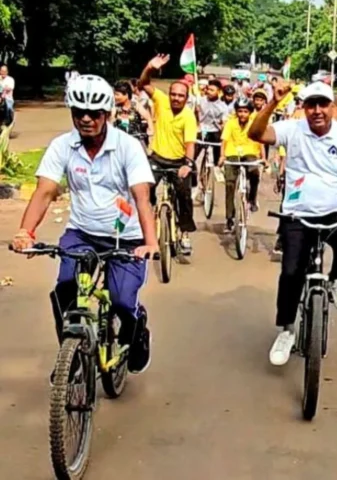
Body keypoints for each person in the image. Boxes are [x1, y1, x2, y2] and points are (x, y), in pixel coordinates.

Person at [11, 75, 156, 374]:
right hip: (82, 232)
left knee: (121, 300)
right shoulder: (63, 146)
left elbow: (142, 197)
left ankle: (137, 327)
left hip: (125, 237)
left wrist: (150, 242)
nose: (86, 119)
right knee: (65, 289)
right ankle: (71, 359)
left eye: (94, 114)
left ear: (107, 114)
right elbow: (45, 191)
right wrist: (26, 232)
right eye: (79, 112)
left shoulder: (128, 147)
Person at [247, 79, 337, 366]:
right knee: (291, 273)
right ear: (304, 107)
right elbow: (256, 133)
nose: (317, 111)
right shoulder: (292, 129)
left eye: (323, 104)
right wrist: (274, 102)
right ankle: (287, 330)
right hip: (297, 214)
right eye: (311, 105)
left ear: (332, 107)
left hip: (334, 212)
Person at [138, 55, 198, 255]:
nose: (176, 98)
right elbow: (142, 84)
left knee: (184, 196)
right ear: (169, 94)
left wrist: (188, 164)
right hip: (157, 158)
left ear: (186, 98)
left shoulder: (188, 117)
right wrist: (149, 67)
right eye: (173, 94)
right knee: (143, 190)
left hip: (179, 162)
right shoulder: (161, 100)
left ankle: (185, 233)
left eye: (181, 96)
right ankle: (148, 226)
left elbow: (190, 144)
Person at [219, 98, 263, 232]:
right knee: (229, 184)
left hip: (250, 152)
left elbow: (261, 141)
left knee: (254, 172)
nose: (242, 114)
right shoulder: (230, 123)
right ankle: (229, 218)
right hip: (232, 153)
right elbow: (224, 141)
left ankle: (252, 199)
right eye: (240, 111)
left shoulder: (255, 123)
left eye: (245, 111)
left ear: (250, 112)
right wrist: (222, 156)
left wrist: (264, 158)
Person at [195, 78, 229, 166]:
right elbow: (194, 115)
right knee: (193, 153)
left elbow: (224, 122)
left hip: (215, 131)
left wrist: (223, 129)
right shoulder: (200, 101)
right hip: (202, 130)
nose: (209, 92)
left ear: (219, 91)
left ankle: (217, 167)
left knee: (218, 153)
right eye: (208, 89)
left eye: (212, 90)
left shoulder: (223, 106)